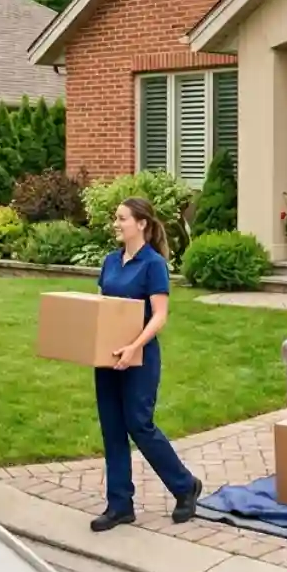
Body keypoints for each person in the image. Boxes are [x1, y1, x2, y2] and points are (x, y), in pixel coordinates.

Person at [89, 197, 204, 533]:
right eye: (116, 218)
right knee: (112, 429)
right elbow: (102, 306)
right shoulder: (111, 261)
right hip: (107, 357)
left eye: (122, 218)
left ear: (141, 223)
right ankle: (120, 505)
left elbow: (160, 316)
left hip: (139, 358)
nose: (116, 223)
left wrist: (133, 347)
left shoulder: (153, 264)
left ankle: (185, 486)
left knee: (140, 425)